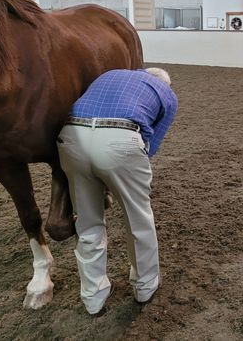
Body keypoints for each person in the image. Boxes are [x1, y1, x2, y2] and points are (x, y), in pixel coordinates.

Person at [56, 67, 178, 316]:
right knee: (138, 219)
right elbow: (150, 147)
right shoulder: (167, 94)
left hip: (71, 137)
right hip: (120, 139)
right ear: (167, 85)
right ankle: (145, 286)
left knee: (87, 224)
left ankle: (93, 297)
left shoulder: (110, 75)